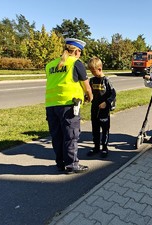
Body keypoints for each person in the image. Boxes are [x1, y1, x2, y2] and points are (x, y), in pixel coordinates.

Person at [45, 37, 93, 174]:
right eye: (80, 52)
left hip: (51, 106)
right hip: (68, 106)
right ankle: (72, 165)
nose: (80, 55)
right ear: (77, 51)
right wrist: (90, 97)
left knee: (57, 136)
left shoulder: (50, 65)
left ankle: (60, 163)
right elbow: (87, 87)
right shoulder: (76, 63)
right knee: (71, 136)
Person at [86, 56, 116, 158]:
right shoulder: (92, 80)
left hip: (104, 110)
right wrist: (87, 97)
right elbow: (89, 92)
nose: (92, 74)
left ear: (100, 69)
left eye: (93, 71)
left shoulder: (106, 81)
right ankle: (96, 147)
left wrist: (106, 103)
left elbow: (113, 94)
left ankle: (104, 147)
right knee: (95, 129)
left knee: (105, 129)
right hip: (94, 109)